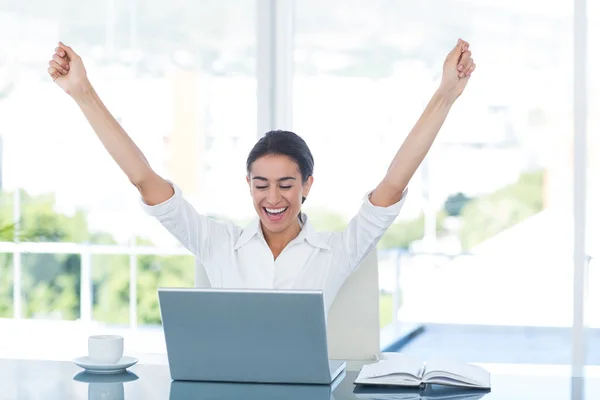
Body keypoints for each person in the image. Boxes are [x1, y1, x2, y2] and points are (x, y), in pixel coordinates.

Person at [47, 39, 476, 313]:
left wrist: (445, 95)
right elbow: (144, 180)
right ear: (248, 185)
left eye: (287, 184)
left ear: (308, 185)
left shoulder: (336, 251)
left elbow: (393, 185)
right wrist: (83, 94)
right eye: (261, 184)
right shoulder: (216, 243)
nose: (273, 198)